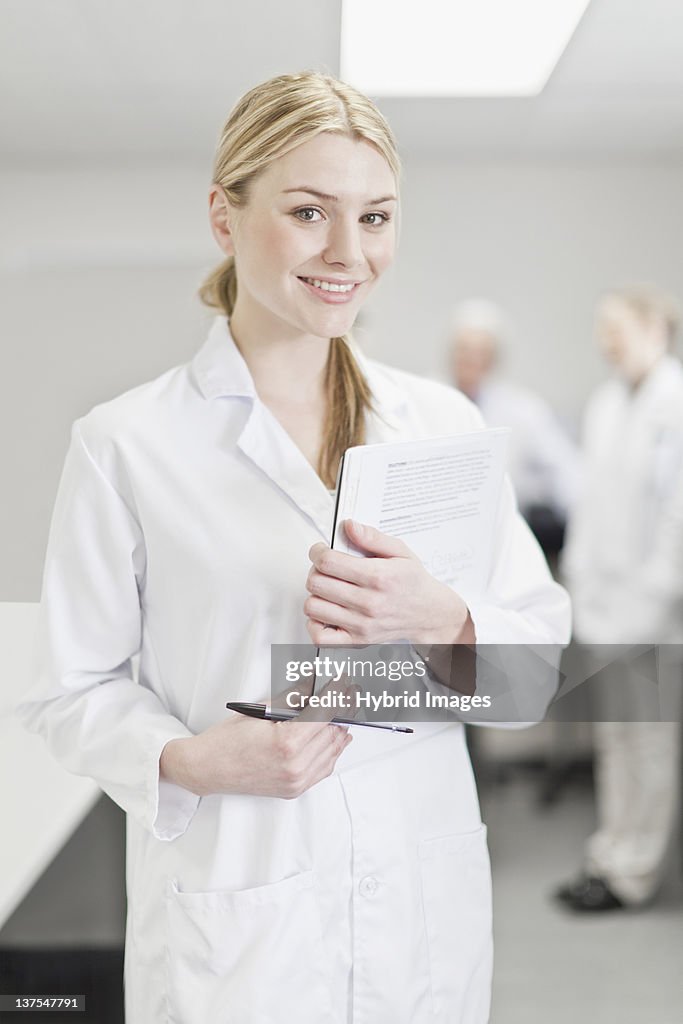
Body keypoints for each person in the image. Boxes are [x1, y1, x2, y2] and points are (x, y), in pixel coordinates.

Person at [17, 72, 570, 1023]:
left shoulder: (436, 423)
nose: (347, 253)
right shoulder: (127, 445)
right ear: (224, 218)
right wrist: (193, 762)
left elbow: (533, 679)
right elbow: (69, 690)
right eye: (309, 212)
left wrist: (447, 622)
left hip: (420, 911)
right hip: (241, 915)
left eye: (376, 217)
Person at [555, 284, 683, 912]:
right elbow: (591, 501)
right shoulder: (607, 402)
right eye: (601, 329)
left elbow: (675, 519)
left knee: (650, 739)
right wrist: (579, 581)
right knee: (615, 737)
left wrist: (650, 600)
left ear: (654, 329)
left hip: (658, 610)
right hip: (603, 602)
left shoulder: (676, 402)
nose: (607, 341)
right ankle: (608, 852)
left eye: (618, 329)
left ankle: (636, 871)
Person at [450, 300, 579, 547]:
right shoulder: (429, 398)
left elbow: (568, 474)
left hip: (502, 537)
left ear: (494, 359)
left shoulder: (524, 410)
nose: (470, 360)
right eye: (463, 350)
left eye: (480, 353)